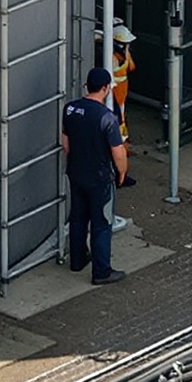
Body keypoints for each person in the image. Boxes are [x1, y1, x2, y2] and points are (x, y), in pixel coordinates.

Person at [59, 67, 128, 285]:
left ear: (87, 86)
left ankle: (77, 260)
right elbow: (118, 152)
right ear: (106, 88)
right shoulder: (107, 118)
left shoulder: (69, 109)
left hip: (76, 173)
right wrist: (122, 171)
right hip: (99, 178)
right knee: (101, 222)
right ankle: (102, 272)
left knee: (78, 217)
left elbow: (65, 143)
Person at [107, 26, 138, 186]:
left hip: (120, 101)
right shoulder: (111, 58)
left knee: (121, 134)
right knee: (118, 138)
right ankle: (120, 175)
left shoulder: (119, 55)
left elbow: (131, 66)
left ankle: (120, 171)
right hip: (114, 102)